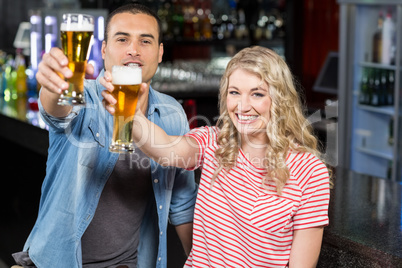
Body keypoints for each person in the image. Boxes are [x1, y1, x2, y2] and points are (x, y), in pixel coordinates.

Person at [102, 46, 331, 267]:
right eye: (234, 93)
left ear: (279, 99)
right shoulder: (214, 142)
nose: (243, 106)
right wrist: (128, 112)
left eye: (257, 94)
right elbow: (165, 149)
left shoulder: (310, 172)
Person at [12, 3, 197, 268]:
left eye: (145, 41)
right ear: (103, 49)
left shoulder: (172, 113)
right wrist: (53, 84)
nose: (133, 49)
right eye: (122, 39)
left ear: (159, 53)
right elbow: (56, 108)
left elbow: (182, 204)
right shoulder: (80, 95)